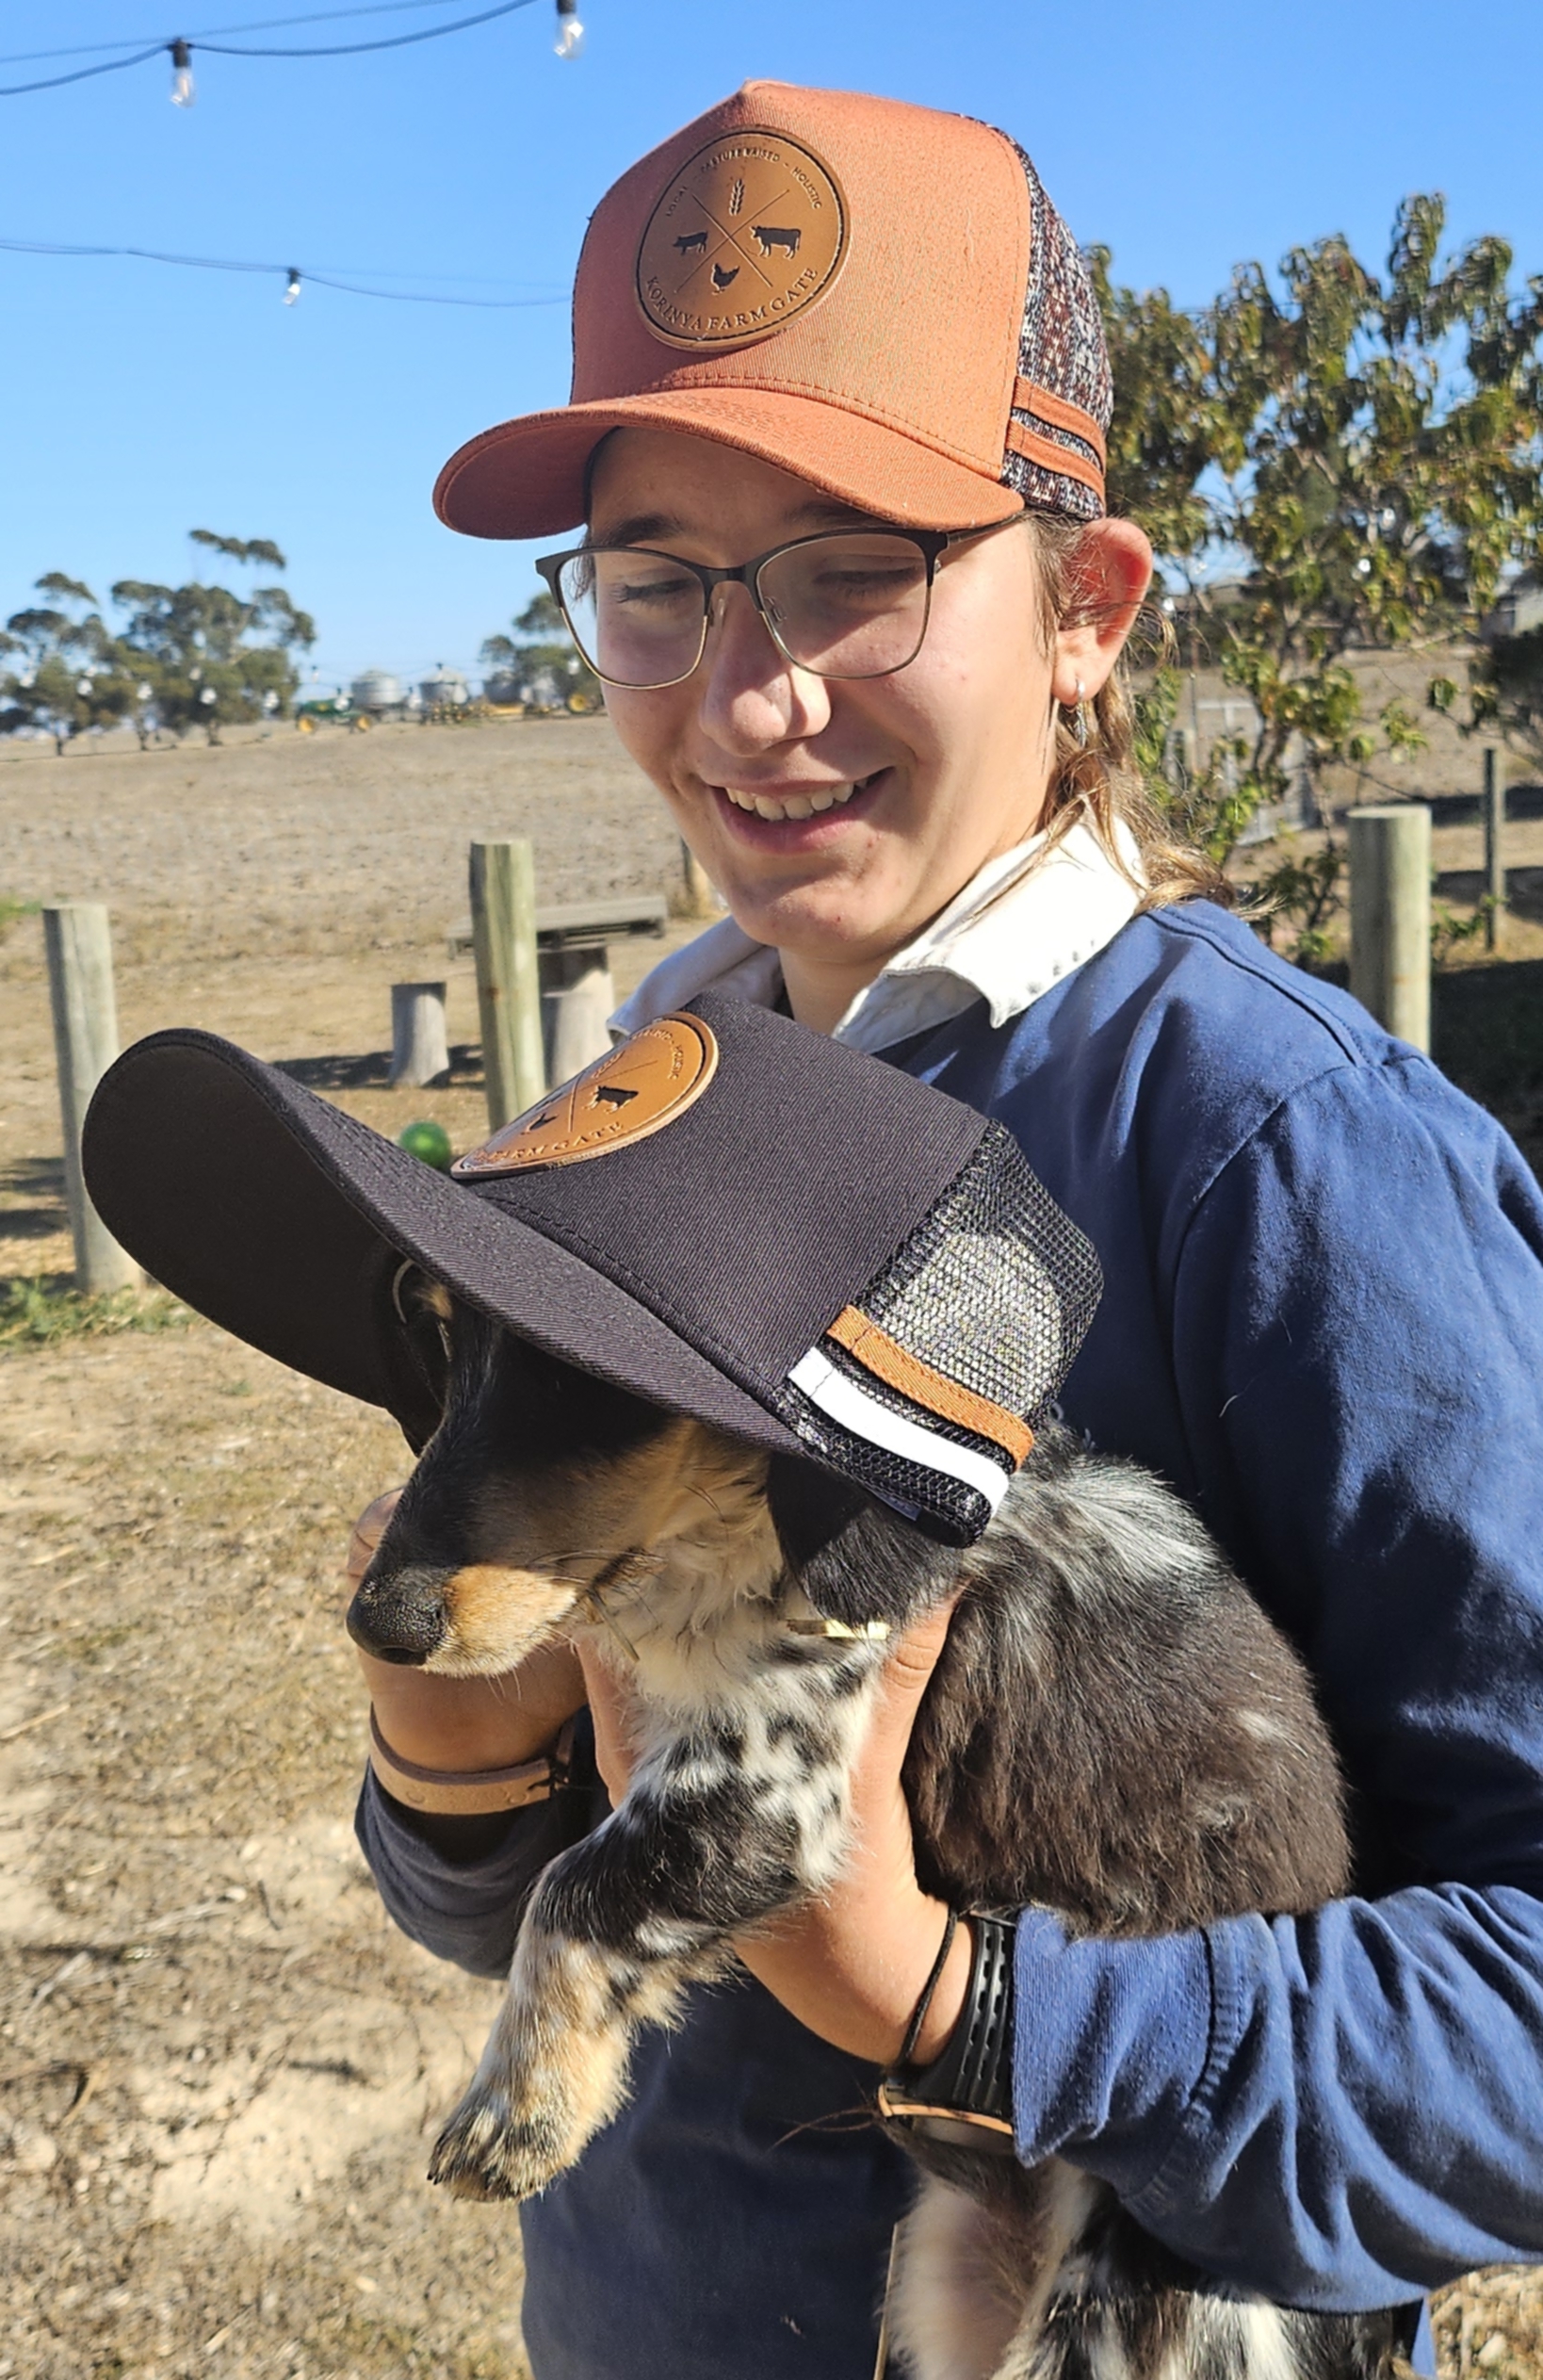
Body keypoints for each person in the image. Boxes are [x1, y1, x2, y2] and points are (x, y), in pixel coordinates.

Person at [349, 82, 1543, 2379]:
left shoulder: (1284, 1153)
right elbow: (522, 1900)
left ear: (1087, 610)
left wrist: (981, 2013)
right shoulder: (620, 1116)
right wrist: (453, 1757)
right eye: (657, 584)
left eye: (854, 568)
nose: (750, 694)